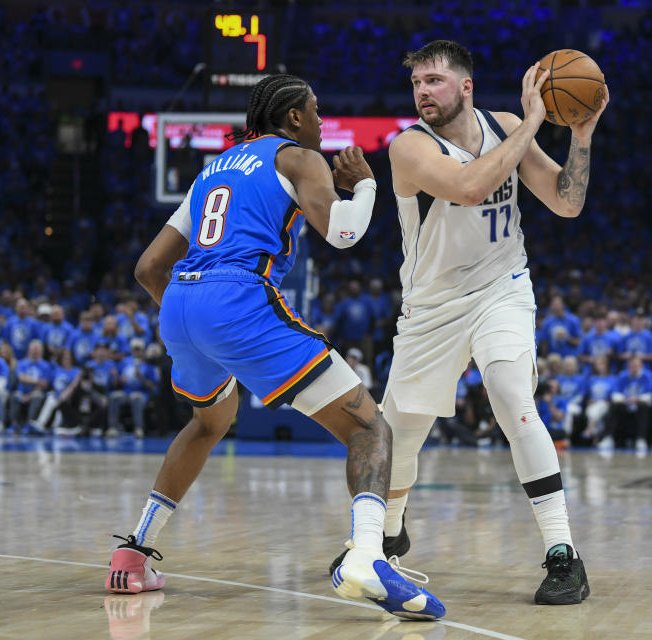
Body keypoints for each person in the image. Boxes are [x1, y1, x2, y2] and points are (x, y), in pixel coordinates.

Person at [104, 74, 444, 620]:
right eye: (315, 111)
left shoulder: (213, 170)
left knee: (207, 424)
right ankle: (366, 556)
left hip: (180, 305)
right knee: (370, 427)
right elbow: (344, 235)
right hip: (237, 300)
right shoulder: (297, 158)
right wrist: (366, 186)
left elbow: (148, 267)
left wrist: (196, 322)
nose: (319, 121)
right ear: (292, 118)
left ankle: (133, 554)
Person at [339, 40, 606, 605]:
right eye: (416, 84)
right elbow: (470, 186)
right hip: (432, 307)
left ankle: (563, 554)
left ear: (465, 87)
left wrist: (579, 135)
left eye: (434, 81)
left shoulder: (505, 124)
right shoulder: (408, 146)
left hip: (501, 289)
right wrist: (533, 123)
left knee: (514, 397)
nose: (422, 93)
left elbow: (566, 202)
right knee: (398, 434)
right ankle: (388, 535)